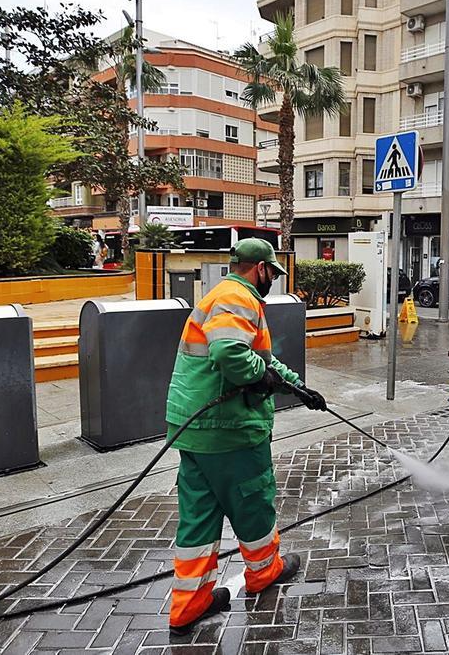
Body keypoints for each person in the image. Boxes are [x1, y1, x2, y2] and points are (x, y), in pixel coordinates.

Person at [164, 238, 328, 635]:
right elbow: (231, 355)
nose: (273, 279)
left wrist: (297, 387)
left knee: (199, 516)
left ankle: (189, 603)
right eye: (273, 272)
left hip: (196, 430)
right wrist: (263, 376)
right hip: (229, 429)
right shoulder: (238, 296)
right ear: (260, 269)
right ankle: (263, 572)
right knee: (253, 500)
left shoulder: (223, 295)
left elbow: (263, 362)